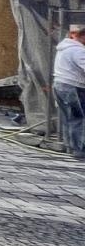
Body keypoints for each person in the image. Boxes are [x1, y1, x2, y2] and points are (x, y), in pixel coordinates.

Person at [54, 22, 85, 160]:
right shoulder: (78, 50)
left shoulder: (63, 48)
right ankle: (79, 150)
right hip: (72, 87)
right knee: (77, 118)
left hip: (60, 85)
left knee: (69, 117)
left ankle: (69, 146)